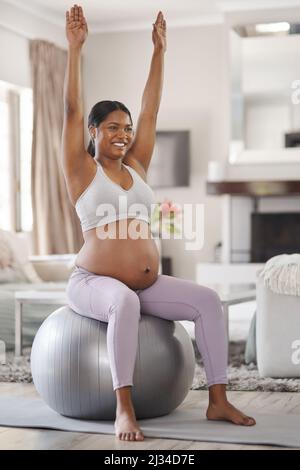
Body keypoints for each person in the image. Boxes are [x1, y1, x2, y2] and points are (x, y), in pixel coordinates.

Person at [63, 4, 256, 442]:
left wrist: (159, 53)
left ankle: (218, 399)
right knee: (123, 304)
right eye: (112, 127)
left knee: (208, 300)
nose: (123, 134)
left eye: (126, 128)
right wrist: (75, 50)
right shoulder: (80, 170)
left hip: (144, 284)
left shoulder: (137, 167)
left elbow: (151, 110)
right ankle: (124, 410)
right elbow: (72, 109)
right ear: (93, 132)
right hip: (93, 282)